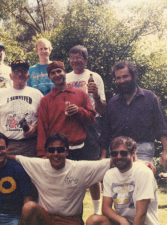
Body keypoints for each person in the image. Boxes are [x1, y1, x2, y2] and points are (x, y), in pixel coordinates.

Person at [12, 133, 113, 225]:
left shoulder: (80, 168)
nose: (56, 153)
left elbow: (111, 162)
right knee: (29, 207)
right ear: (46, 152)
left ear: (67, 152)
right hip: (46, 218)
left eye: (60, 150)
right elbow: (13, 157)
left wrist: (127, 155)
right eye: (51, 150)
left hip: (70, 220)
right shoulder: (38, 165)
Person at [99, 61, 167, 170]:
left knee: (142, 179)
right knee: (119, 184)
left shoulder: (150, 98)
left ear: (134, 75)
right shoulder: (112, 103)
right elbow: (106, 132)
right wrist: (103, 157)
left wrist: (165, 151)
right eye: (118, 78)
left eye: (125, 76)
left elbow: (162, 127)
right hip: (117, 151)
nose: (122, 81)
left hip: (143, 149)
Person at [66, 45, 107, 214]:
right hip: (71, 125)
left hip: (91, 124)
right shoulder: (66, 77)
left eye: (79, 57)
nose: (75, 60)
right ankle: (73, 212)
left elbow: (103, 110)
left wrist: (96, 95)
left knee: (92, 169)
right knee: (71, 170)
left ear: (86, 59)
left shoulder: (95, 77)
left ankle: (97, 212)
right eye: (72, 57)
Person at [86, 136, 159, 225]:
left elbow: (141, 214)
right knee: (93, 220)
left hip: (143, 223)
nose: (119, 157)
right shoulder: (110, 174)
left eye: (123, 153)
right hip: (124, 222)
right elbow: (106, 209)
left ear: (133, 152)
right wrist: (122, 220)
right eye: (114, 154)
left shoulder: (144, 172)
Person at [37, 61, 96, 158]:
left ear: (65, 73)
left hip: (79, 148)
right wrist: (42, 153)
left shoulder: (81, 94)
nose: (57, 75)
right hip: (57, 151)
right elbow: (42, 127)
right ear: (49, 77)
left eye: (59, 71)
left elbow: (91, 120)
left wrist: (79, 111)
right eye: (53, 73)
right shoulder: (45, 100)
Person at [0, 58, 43, 157]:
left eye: (23, 71)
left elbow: (44, 120)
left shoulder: (37, 94)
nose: (19, 73)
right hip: (8, 145)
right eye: (16, 71)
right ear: (10, 76)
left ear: (28, 76)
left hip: (30, 145)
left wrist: (34, 128)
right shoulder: (0, 95)